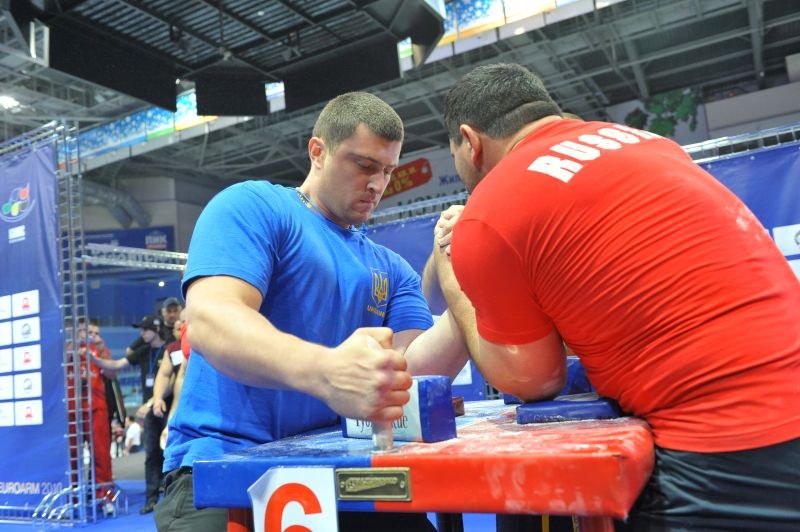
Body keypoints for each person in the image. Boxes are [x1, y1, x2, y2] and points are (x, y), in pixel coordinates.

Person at [432, 63, 800, 529]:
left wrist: (452, 284)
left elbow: (532, 381)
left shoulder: (489, 212)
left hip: (723, 446)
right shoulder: (644, 142)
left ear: (471, 141)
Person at [155, 91, 470, 532]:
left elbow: (410, 372)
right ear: (317, 152)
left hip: (336, 468)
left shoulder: (390, 268)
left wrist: (466, 291)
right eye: (364, 166)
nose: (378, 184)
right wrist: (326, 372)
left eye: (387, 171)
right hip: (222, 465)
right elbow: (211, 320)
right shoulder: (254, 206)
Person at [91, 315, 169, 514]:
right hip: (150, 413)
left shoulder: (171, 348)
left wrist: (155, 401)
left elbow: (175, 379)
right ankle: (151, 499)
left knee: (170, 455)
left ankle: (170, 497)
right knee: (151, 454)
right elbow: (116, 365)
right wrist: (93, 358)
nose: (141, 333)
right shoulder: (143, 351)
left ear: (156, 329)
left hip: (170, 409)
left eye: (145, 329)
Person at [66, 318, 114, 495]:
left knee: (101, 455)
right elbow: (59, 369)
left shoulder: (100, 351)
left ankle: (104, 495)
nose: (93, 336)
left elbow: (111, 374)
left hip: (97, 409)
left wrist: (100, 352)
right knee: (72, 456)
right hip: (73, 410)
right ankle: (73, 495)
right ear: (79, 333)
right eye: (89, 332)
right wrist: (75, 347)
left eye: (96, 333)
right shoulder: (69, 349)